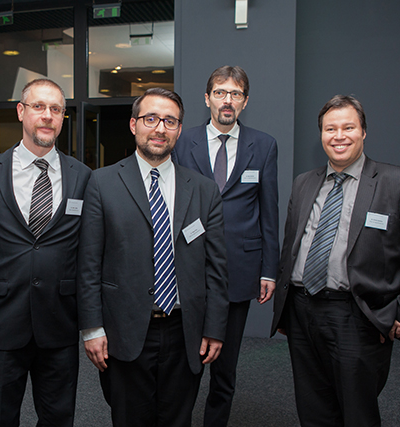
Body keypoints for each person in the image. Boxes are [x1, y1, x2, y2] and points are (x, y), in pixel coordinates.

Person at [271, 95, 400, 426]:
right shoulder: (304, 182)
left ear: (363, 131)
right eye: (330, 129)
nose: (339, 136)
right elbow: (291, 246)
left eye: (348, 127)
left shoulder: (399, 183)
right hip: (302, 311)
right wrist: (285, 306)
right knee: (313, 408)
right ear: (321, 134)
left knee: (357, 412)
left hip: (357, 315)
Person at [78, 87, 229, 427]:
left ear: (179, 129)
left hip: (185, 331)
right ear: (134, 124)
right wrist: (91, 328)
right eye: (151, 119)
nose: (160, 128)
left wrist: (215, 328)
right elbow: (88, 264)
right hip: (124, 329)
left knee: (178, 419)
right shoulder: (102, 183)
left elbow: (217, 267)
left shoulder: (204, 190)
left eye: (170, 121)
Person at [0, 78, 91, 427]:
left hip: (59, 321)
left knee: (58, 418)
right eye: (38, 106)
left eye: (56, 109)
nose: (47, 116)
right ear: (20, 111)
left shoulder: (83, 177)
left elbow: (87, 245)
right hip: (0, 321)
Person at [172, 65, 279, 427]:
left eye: (235, 93)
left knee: (225, 366)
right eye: (220, 92)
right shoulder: (182, 141)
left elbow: (269, 211)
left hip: (239, 269)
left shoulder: (263, 145)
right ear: (207, 99)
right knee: (185, 363)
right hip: (188, 267)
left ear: (245, 101)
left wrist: (269, 270)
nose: (227, 100)